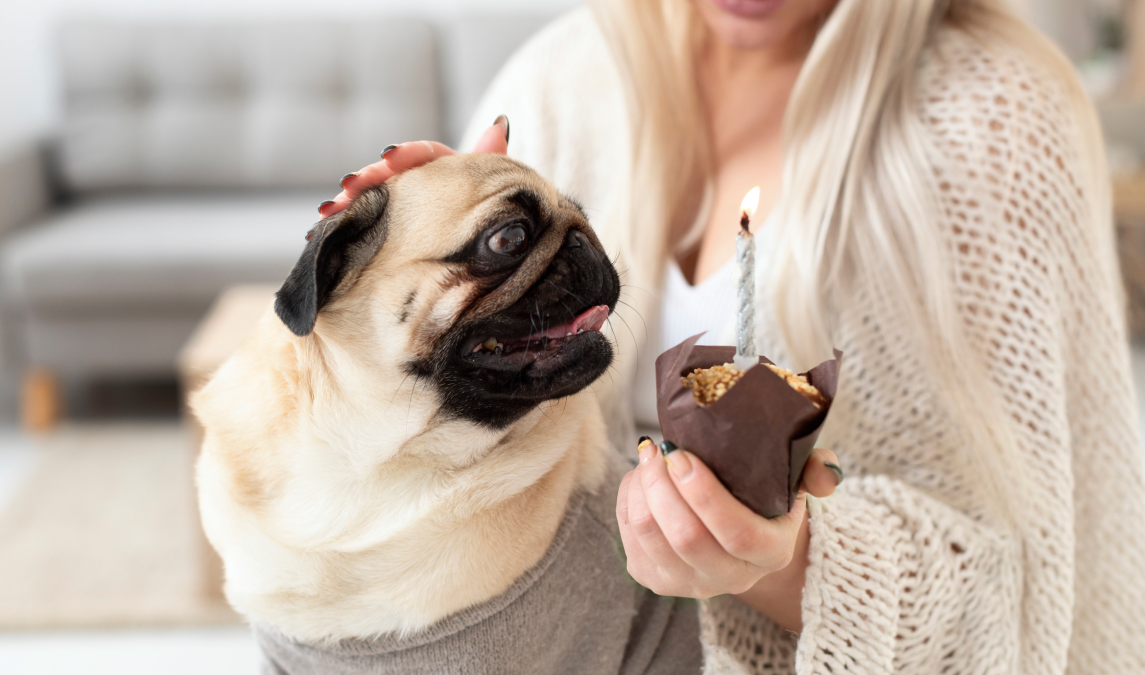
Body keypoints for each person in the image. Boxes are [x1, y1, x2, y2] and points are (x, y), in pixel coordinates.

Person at [317, 0, 1145, 671]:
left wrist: (777, 558)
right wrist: (378, 275)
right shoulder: (560, 82)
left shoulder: (995, 117)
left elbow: (1026, 594)